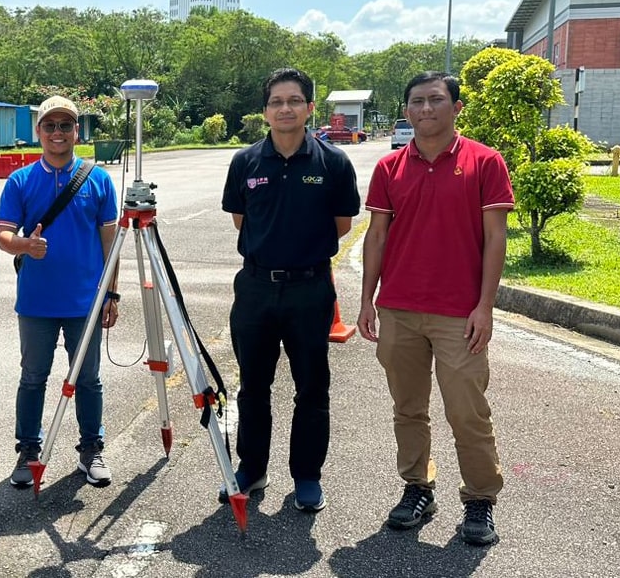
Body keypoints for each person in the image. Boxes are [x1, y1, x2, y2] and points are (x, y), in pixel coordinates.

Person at [357, 71, 513, 546]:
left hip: (459, 313)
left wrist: (485, 306)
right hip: (399, 308)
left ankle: (480, 498)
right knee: (408, 408)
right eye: (417, 101)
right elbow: (376, 236)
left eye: (436, 100)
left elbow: (495, 238)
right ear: (406, 110)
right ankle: (418, 487)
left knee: (467, 412)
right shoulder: (390, 168)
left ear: (456, 107)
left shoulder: (484, 161)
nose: (426, 109)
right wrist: (366, 300)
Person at [220, 68, 360, 512]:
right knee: (252, 386)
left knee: (312, 388)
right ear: (265, 111)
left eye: (294, 100)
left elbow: (342, 225)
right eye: (277, 101)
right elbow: (241, 221)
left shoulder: (333, 162)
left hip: (310, 289)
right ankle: (252, 468)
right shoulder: (245, 162)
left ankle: (306, 476)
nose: (285, 109)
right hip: (256, 288)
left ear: (309, 108)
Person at [0, 95, 120, 489]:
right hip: (36, 301)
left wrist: (111, 294)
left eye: (65, 125)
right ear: (39, 131)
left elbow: (111, 242)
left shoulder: (98, 179)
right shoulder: (20, 181)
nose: (57, 133)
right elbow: (3, 236)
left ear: (76, 131)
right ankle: (28, 451)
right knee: (33, 377)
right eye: (50, 125)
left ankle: (91, 449)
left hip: (86, 301)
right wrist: (25, 246)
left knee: (88, 379)